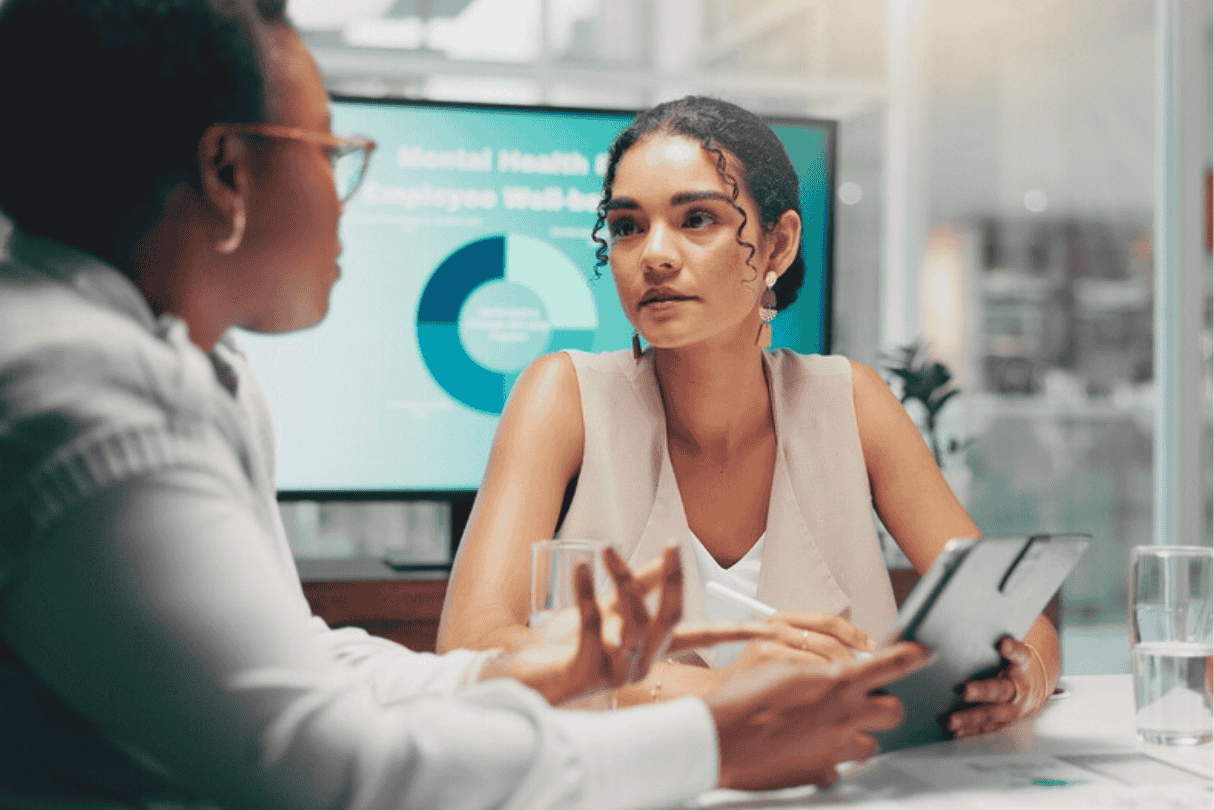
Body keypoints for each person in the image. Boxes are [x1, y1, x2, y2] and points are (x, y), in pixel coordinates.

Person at [0, 1, 931, 808]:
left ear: (774, 247)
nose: (343, 196)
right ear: (226, 174)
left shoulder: (177, 369)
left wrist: (537, 671)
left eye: (697, 219)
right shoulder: (98, 413)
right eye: (332, 153)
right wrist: (715, 737)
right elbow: (333, 770)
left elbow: (297, 662)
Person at [438, 95, 1060, 734]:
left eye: (698, 218)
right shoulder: (562, 395)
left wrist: (1022, 680)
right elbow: (472, 648)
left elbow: (1021, 619)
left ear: (778, 245)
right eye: (627, 226)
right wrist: (726, 692)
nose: (654, 254)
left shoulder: (852, 401)